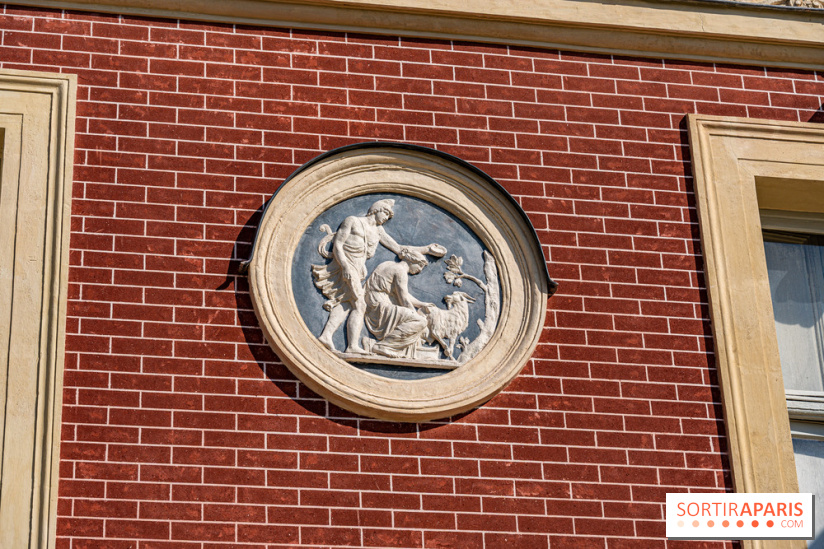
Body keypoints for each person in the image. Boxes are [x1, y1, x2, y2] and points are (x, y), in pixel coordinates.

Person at [311, 199, 444, 354]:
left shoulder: (378, 231)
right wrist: (345, 266)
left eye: (389, 215)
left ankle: (326, 336)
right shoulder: (353, 221)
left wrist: (426, 249)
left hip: (358, 270)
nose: (386, 218)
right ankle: (352, 346)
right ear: (376, 210)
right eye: (386, 213)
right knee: (360, 305)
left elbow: (400, 249)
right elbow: (338, 244)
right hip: (345, 266)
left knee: (347, 303)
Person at [363, 249, 433, 359]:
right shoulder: (400, 271)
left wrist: (421, 304)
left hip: (372, 301)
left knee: (415, 319)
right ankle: (383, 346)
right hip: (380, 306)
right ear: (412, 261)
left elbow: (400, 292)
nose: (419, 271)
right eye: (420, 267)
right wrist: (415, 315)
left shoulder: (388, 264)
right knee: (420, 321)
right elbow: (404, 298)